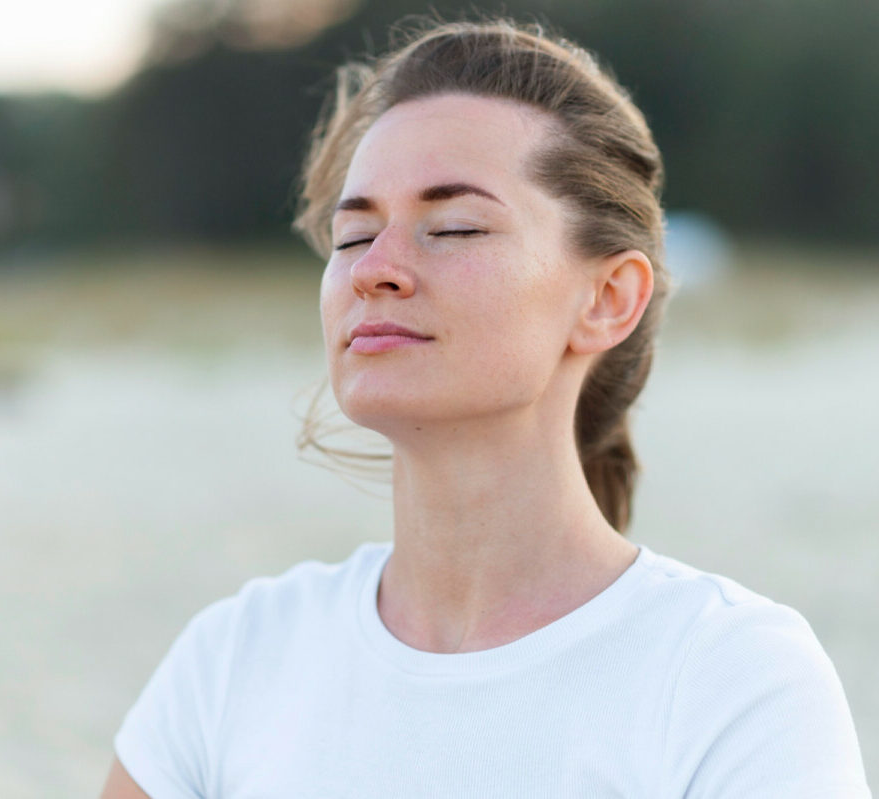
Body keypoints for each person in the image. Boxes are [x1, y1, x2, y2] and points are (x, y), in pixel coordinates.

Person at [101, 18, 871, 798]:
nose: (376, 270)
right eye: (353, 235)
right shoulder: (236, 658)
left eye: (454, 226)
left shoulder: (729, 679)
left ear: (609, 299)